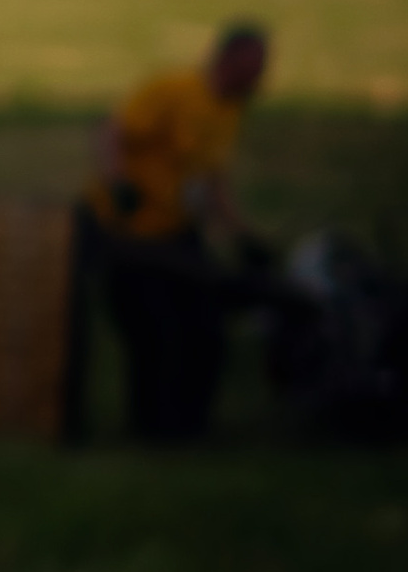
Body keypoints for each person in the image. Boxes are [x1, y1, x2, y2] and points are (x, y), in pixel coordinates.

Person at [74, 24, 272, 441]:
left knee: (205, 331)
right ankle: (151, 433)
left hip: (175, 235)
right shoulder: (174, 90)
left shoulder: (228, 110)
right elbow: (112, 131)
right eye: (255, 68)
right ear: (228, 58)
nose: (260, 79)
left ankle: (190, 429)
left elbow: (212, 182)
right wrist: (117, 183)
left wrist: (242, 234)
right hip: (126, 234)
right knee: (154, 334)